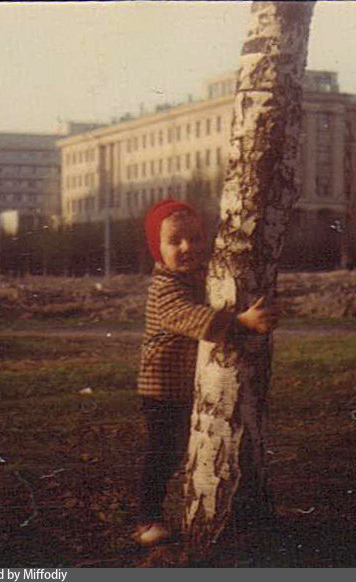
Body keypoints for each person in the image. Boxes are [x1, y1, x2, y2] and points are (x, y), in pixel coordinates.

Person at [134, 199, 277, 547]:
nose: (187, 247)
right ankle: (145, 519)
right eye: (175, 241)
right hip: (162, 388)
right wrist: (241, 321)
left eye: (195, 238)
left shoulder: (199, 275)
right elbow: (194, 318)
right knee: (163, 452)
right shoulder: (165, 287)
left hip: (186, 384)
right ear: (157, 248)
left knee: (192, 446)